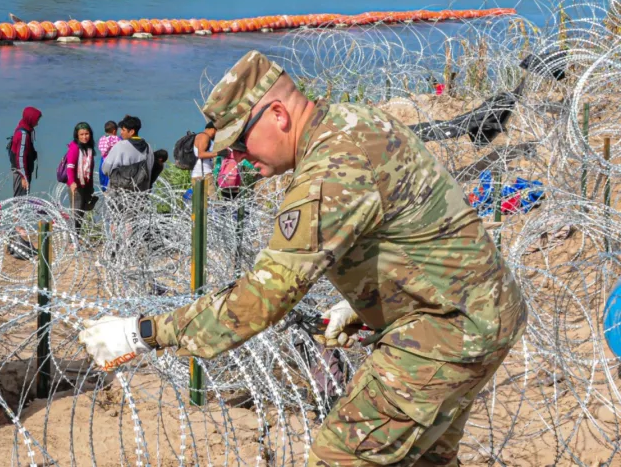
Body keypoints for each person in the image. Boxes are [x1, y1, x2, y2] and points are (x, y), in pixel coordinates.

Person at [77, 50, 526, 466]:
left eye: (240, 143)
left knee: (338, 455)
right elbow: (422, 222)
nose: (238, 157)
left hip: (445, 331)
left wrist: (145, 333)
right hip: (480, 311)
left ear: (278, 115)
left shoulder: (328, 172)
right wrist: (368, 299)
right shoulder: (353, 121)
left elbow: (261, 299)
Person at [101, 115, 153, 192]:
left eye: (123, 130)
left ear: (131, 132)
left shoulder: (120, 146)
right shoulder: (148, 147)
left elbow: (105, 169)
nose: (121, 133)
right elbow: (149, 169)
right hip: (140, 193)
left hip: (119, 194)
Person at [66, 122, 98, 234]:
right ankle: (72, 240)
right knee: (76, 214)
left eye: (87, 134)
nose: (84, 137)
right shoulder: (74, 147)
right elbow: (70, 167)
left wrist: (91, 187)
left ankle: (76, 237)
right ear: (77, 135)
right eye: (81, 134)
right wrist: (72, 182)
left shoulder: (89, 148)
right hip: (76, 185)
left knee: (81, 213)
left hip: (86, 185)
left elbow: (90, 169)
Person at [10, 106, 41, 197]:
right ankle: (17, 211)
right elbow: (20, 157)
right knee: (21, 198)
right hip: (21, 171)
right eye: (36, 120)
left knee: (22, 197)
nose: (37, 123)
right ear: (30, 119)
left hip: (22, 170)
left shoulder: (25, 127)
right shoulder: (23, 134)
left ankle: (17, 211)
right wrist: (24, 176)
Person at [192, 122, 219, 196]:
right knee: (213, 203)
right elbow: (201, 154)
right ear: (212, 129)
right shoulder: (204, 136)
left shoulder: (203, 137)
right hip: (203, 175)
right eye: (216, 131)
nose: (216, 134)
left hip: (201, 174)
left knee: (204, 204)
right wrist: (218, 153)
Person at [98, 121, 120, 191]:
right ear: (114, 131)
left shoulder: (102, 138)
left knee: (104, 178)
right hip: (112, 162)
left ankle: (104, 189)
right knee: (111, 180)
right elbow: (121, 145)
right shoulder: (115, 138)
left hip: (103, 161)